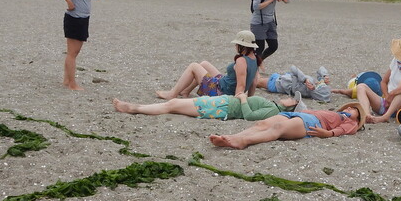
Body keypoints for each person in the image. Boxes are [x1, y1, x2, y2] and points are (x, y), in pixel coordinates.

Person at [52, 0, 103, 90]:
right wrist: (68, 1)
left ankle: (67, 80)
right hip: (75, 16)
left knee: (74, 52)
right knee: (72, 52)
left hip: (83, 16)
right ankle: (72, 83)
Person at [209, 102, 364, 150]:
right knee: (262, 123)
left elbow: (343, 130)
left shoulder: (351, 123)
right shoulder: (337, 113)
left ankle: (244, 141)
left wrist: (328, 134)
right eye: (349, 107)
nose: (349, 109)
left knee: (278, 129)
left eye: (354, 110)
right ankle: (236, 137)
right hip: (301, 115)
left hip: (312, 123)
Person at [156, 30, 260, 100]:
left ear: (242, 46)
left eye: (237, 44)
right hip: (224, 84)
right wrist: (250, 99)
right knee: (204, 64)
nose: (235, 46)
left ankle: (172, 94)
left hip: (220, 92)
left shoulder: (242, 61)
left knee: (193, 66)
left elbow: (241, 87)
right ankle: (185, 91)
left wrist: (239, 103)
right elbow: (254, 82)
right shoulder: (254, 59)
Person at [356, 34, 401, 123]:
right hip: (388, 102)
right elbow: (383, 82)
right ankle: (367, 115)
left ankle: (386, 116)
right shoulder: (396, 60)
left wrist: (392, 94)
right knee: (361, 86)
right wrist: (387, 96)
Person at [113, 92, 296, 121]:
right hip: (222, 103)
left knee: (173, 105)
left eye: (291, 100)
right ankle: (135, 107)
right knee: (173, 104)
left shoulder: (273, 111)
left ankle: (134, 108)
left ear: (290, 108)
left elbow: (248, 116)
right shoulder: (274, 106)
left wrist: (243, 99)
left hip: (221, 108)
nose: (288, 98)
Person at [250, 0, 289, 65]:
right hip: (258, 22)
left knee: (273, 46)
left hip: (270, 22)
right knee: (259, 47)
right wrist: (270, 0)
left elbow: (288, 0)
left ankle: (259, 61)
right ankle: (254, 68)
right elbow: (256, 7)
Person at [256, 65, 332, 103]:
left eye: (321, 85)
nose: (320, 83)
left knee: (255, 82)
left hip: (277, 84)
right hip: (281, 77)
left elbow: (293, 68)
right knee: (257, 77)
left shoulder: (308, 89)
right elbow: (321, 68)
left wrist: (304, 80)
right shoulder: (313, 85)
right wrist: (325, 75)